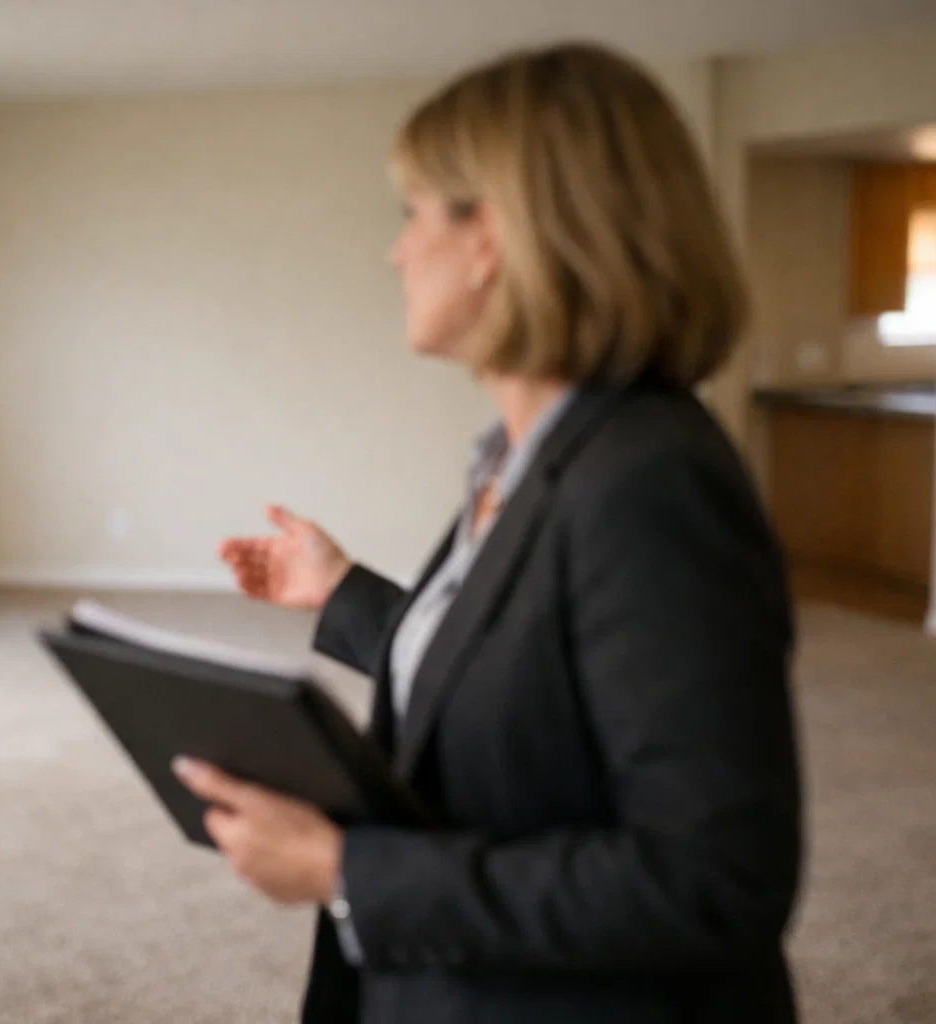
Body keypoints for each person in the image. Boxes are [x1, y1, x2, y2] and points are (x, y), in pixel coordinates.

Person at [171, 42, 804, 1024]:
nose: (395, 251)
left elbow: (714, 876)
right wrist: (343, 593)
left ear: (491, 237)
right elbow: (520, 682)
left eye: (412, 214)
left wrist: (348, 868)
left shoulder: (651, 480)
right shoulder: (524, 457)